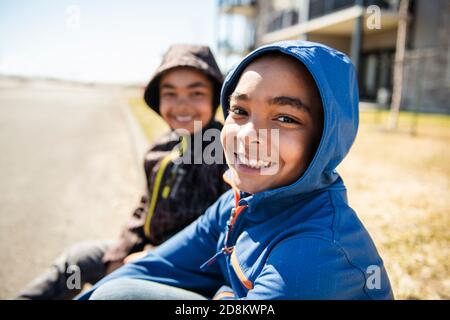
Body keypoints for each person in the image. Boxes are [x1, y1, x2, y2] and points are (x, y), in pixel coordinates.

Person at [76, 40, 393, 300]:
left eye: (285, 118)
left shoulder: (314, 255)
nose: (247, 137)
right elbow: (150, 268)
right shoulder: (238, 203)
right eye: (239, 111)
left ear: (325, 140)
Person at [17, 44, 229, 299]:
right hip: (144, 250)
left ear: (215, 97)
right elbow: (145, 207)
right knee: (77, 261)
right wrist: (121, 251)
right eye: (170, 93)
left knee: (112, 293)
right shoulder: (161, 148)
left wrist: (152, 258)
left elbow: (227, 233)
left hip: (188, 272)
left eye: (196, 94)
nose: (182, 106)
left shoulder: (225, 154)